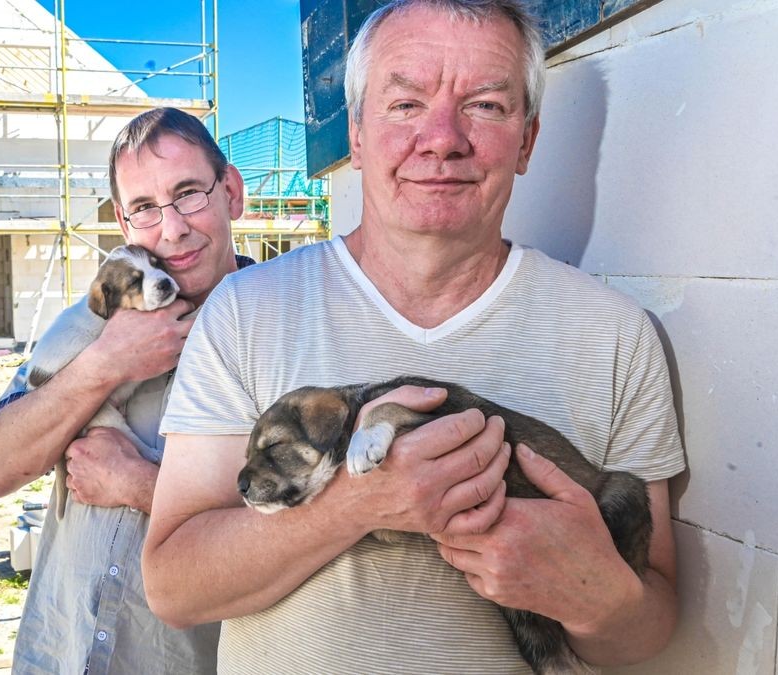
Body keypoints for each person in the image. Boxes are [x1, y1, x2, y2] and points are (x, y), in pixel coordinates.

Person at [143, 1, 686, 672]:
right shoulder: (245, 310)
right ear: (358, 136)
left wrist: (596, 596)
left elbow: (654, 622)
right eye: (405, 104)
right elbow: (173, 584)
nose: (442, 138)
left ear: (527, 139)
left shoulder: (615, 336)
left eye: (485, 106)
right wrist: (360, 503)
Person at [0, 107, 253, 674]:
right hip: (59, 651)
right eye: (145, 208)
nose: (171, 228)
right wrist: (104, 364)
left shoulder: (282, 331)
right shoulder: (91, 323)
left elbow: (307, 526)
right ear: (125, 225)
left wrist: (140, 484)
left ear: (231, 192)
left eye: (190, 194)